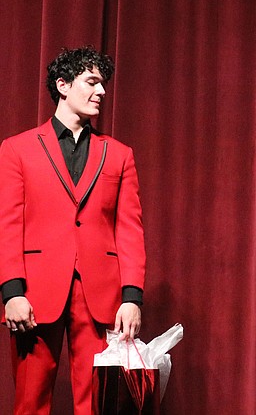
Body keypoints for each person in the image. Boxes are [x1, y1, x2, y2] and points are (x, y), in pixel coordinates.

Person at [0, 46, 146, 415]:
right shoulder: (17, 149)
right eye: (92, 82)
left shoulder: (119, 154)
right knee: (30, 402)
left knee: (95, 403)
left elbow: (130, 229)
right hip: (35, 292)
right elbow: (7, 223)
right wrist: (12, 292)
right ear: (63, 85)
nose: (101, 92)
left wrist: (132, 297)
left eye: (103, 85)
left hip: (100, 296)